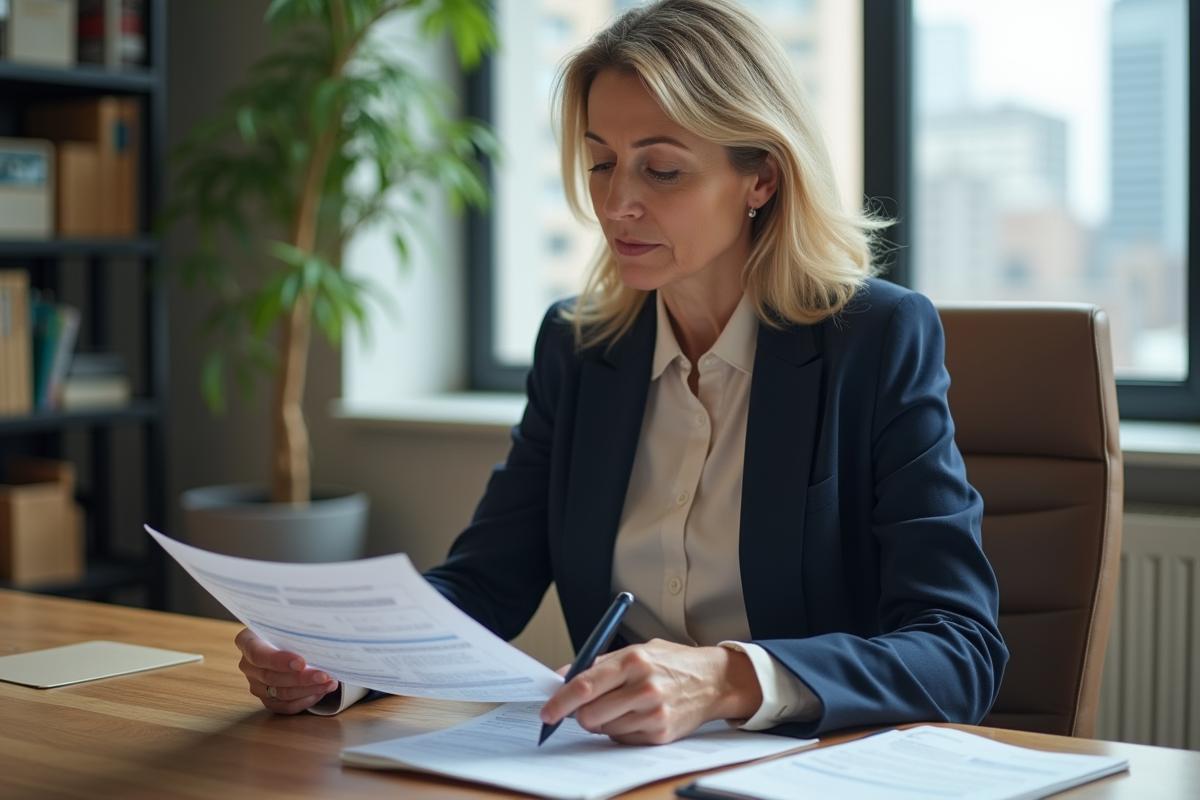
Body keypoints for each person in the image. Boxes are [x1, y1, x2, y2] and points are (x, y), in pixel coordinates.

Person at [234, 0, 1007, 745]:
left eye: (662, 171)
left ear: (761, 179)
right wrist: (337, 657)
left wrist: (727, 678)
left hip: (808, 772)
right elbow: (483, 582)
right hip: (610, 768)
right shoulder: (579, 348)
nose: (616, 204)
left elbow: (959, 649)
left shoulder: (874, 340)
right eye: (602, 163)